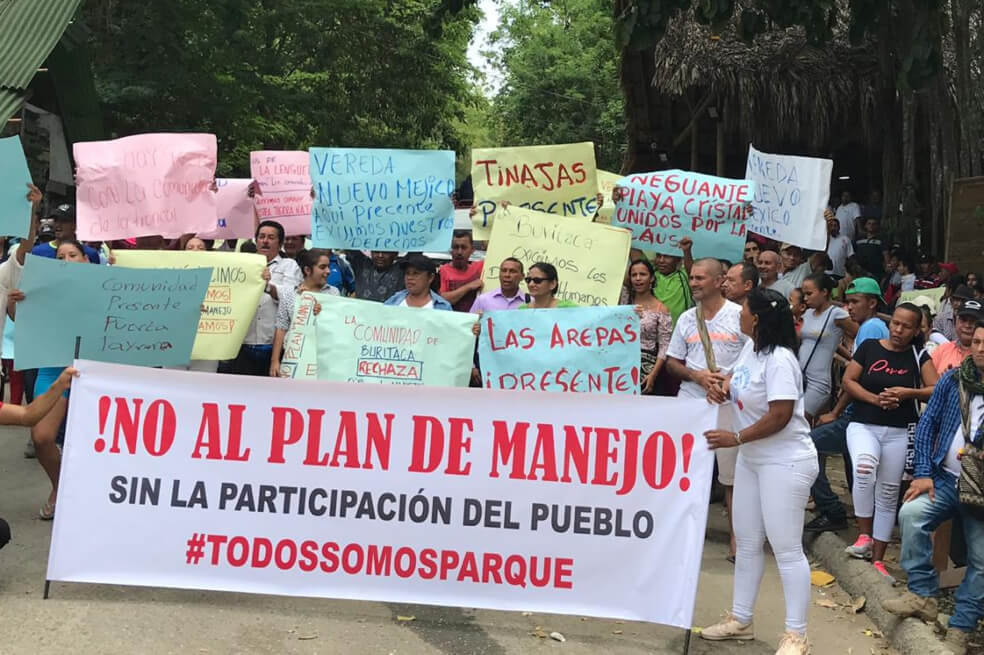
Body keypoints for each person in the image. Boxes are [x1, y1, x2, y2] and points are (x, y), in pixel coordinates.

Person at [699, 288, 817, 655]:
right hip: (752, 459)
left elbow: (780, 415)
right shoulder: (752, 350)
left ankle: (796, 635)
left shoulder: (780, 360)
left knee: (786, 548)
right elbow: (736, 381)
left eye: (744, 311)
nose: (739, 315)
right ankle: (741, 619)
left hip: (785, 460)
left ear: (759, 318)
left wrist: (736, 437)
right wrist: (722, 388)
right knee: (748, 542)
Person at [881, 321, 984, 655]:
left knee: (981, 561)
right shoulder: (954, 380)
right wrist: (923, 473)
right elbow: (927, 425)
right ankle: (923, 595)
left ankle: (961, 627)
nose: (980, 349)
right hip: (945, 479)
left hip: (982, 493)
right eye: (976, 342)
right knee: (911, 515)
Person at [842, 303, 938, 581]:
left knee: (888, 492)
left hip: (899, 430)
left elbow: (935, 388)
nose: (898, 330)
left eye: (906, 326)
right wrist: (875, 399)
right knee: (864, 468)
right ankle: (864, 535)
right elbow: (849, 380)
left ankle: (878, 559)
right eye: (895, 323)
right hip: (864, 424)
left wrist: (908, 393)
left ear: (916, 330)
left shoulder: (919, 355)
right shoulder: (870, 347)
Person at [667, 258, 748, 561]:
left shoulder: (739, 316)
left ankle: (737, 541)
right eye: (691, 278)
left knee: (732, 477)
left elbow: (754, 358)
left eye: (700, 278)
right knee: (684, 473)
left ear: (719, 281)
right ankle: (680, 538)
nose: (694, 283)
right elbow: (673, 362)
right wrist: (697, 376)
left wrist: (727, 382)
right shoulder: (687, 318)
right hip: (691, 403)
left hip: (730, 404)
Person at [804, 277, 891, 533]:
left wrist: (835, 412)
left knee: (808, 447)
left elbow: (856, 379)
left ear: (872, 303)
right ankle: (860, 512)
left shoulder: (871, 329)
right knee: (851, 461)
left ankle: (832, 510)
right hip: (863, 413)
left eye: (855, 302)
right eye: (848, 302)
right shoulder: (872, 327)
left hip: (860, 414)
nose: (849, 308)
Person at [24, 241, 95, 520]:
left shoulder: (108, 289)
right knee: (41, 437)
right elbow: (25, 324)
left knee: (93, 441)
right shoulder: (43, 291)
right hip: (53, 369)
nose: (65, 259)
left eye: (72, 255)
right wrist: (18, 304)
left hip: (95, 371)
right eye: (60, 256)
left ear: (86, 260)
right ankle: (60, 487)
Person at [224, 220, 302, 376]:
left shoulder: (289, 266)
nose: (265, 241)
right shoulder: (242, 264)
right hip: (242, 344)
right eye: (261, 237)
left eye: (271, 237)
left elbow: (289, 297)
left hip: (273, 346)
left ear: (280, 243)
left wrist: (267, 286)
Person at [270, 249, 338, 377]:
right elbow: (281, 327)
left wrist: (321, 310)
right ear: (307, 270)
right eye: (322, 267)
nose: (328, 271)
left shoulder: (333, 293)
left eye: (328, 267)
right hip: (294, 359)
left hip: (323, 359)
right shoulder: (290, 294)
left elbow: (337, 325)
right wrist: (274, 361)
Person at [798, 273, 858, 420]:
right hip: (799, 376)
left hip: (818, 382)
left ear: (824, 292)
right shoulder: (807, 314)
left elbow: (859, 333)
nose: (805, 298)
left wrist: (855, 361)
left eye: (809, 294)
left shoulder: (836, 314)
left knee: (800, 420)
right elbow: (827, 342)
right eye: (804, 294)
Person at [620, 259, 672, 394]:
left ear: (652, 278)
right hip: (620, 363)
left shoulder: (661, 309)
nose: (638, 278)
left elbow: (665, 346)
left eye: (642, 274)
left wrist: (653, 375)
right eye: (634, 275)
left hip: (646, 367)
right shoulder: (623, 302)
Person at [30, 202, 101, 264]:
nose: (58, 225)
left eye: (64, 221)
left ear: (75, 224)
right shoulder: (38, 252)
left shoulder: (90, 253)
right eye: (56, 220)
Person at [931, 299, 982, 373]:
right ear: (955, 321)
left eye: (973, 321)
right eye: (963, 320)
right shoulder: (942, 350)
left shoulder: (981, 353)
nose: (967, 325)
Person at [384, 254, 452, 309]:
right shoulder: (393, 300)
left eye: (416, 273)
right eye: (407, 273)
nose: (409, 278)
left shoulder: (443, 307)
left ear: (430, 277)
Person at [439, 230, 484, 312]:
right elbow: (443, 300)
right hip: (453, 318)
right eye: (456, 247)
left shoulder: (480, 267)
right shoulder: (443, 270)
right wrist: (469, 286)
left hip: (476, 318)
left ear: (472, 250)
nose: (459, 252)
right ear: (451, 250)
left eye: (464, 247)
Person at [653, 239, 694, 324]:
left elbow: (692, 272)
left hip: (679, 330)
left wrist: (686, 251)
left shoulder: (684, 275)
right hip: (654, 330)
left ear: (678, 259)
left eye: (667, 256)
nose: (661, 260)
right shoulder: (651, 275)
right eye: (658, 256)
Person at [825, 211, 854, 278]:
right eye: (831, 226)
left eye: (835, 226)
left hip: (840, 273)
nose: (833, 228)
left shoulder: (845, 239)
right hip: (826, 272)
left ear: (839, 227)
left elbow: (850, 256)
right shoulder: (825, 239)